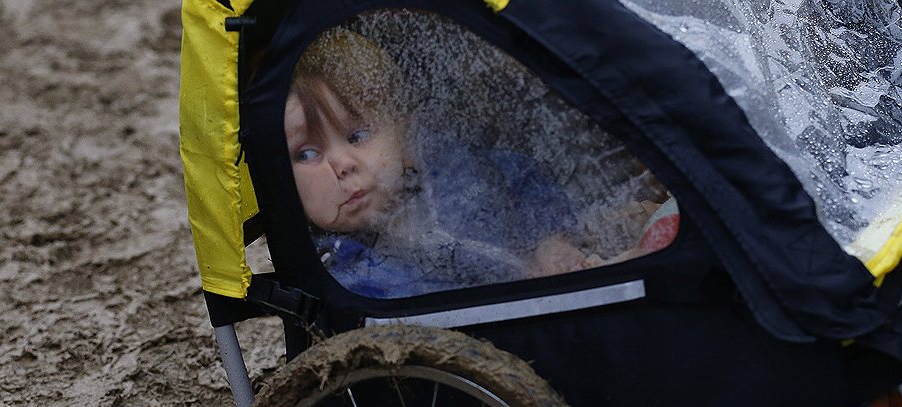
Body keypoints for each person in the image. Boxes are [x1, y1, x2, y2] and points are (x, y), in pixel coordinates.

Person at [284, 28, 678, 297]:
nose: (341, 165)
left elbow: (523, 182)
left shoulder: (453, 172)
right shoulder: (350, 276)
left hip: (549, 283)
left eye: (357, 136)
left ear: (403, 137)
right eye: (307, 154)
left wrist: (548, 240)